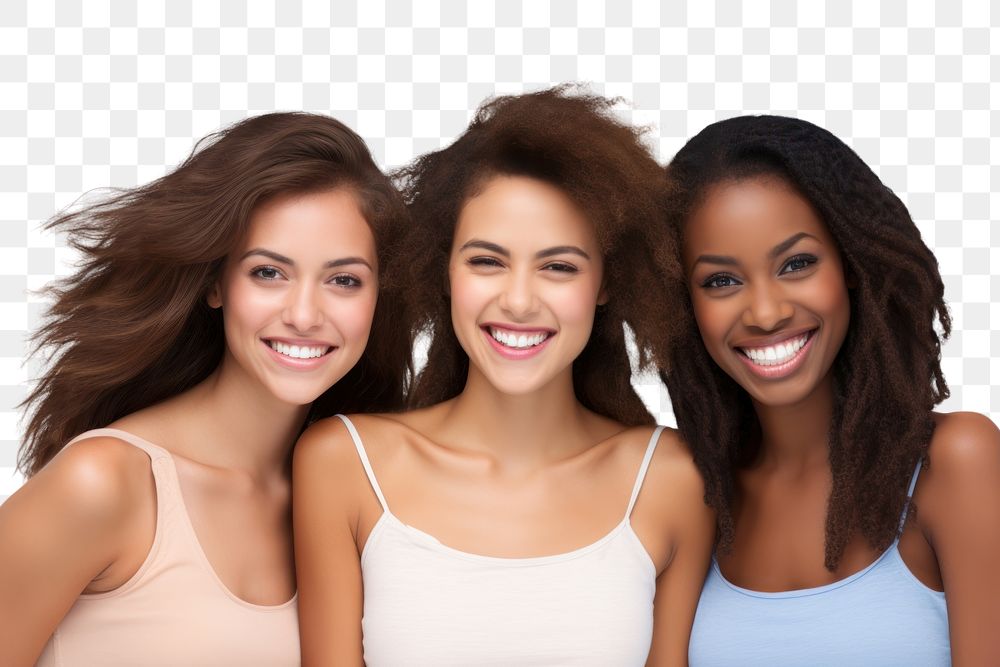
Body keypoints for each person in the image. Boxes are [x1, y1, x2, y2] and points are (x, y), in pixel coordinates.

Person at [293, 87, 715, 666]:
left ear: (607, 284)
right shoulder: (344, 464)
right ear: (444, 270)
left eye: (559, 266)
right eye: (487, 261)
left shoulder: (670, 479)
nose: (518, 301)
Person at [0, 112, 410, 666]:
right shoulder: (103, 483)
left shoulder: (354, 499)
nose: (306, 314)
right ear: (217, 283)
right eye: (269, 272)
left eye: (343, 280)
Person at [660, 115, 1000, 665]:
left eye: (797, 264)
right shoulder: (693, 493)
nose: (766, 312)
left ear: (851, 265)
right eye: (721, 280)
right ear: (682, 306)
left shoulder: (955, 463)